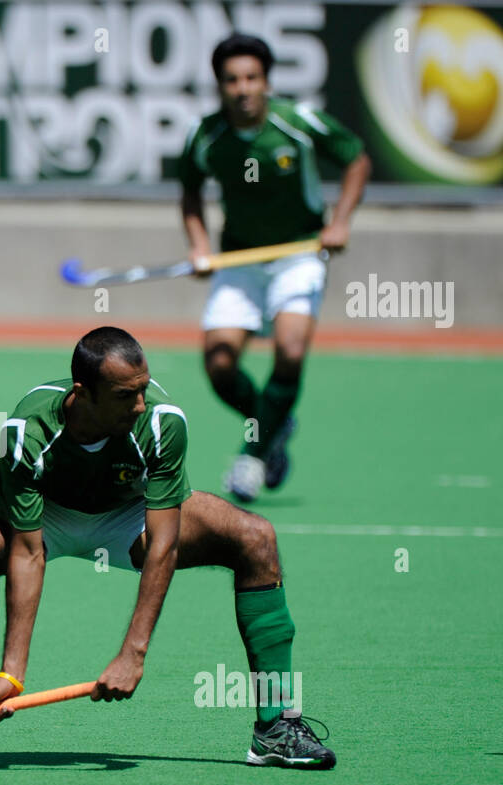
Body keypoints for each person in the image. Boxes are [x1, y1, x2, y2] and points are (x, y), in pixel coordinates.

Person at [0, 327, 335, 772]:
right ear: (84, 392)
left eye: (142, 389)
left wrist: (133, 653)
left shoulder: (160, 421)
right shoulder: (29, 429)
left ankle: (276, 727)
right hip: (48, 513)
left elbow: (164, 544)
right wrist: (12, 672)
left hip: (129, 512)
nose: (139, 404)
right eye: (124, 395)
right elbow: (27, 552)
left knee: (256, 538)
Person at [180, 33, 371, 502]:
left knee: (289, 351)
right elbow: (189, 191)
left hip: (299, 255)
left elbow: (356, 159)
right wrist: (199, 245)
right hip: (239, 260)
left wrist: (340, 221)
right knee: (220, 364)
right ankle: (276, 422)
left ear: (266, 81)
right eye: (232, 80)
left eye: (252, 78)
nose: (243, 88)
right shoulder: (206, 137)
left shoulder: (297, 123)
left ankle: (253, 455)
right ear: (219, 85)